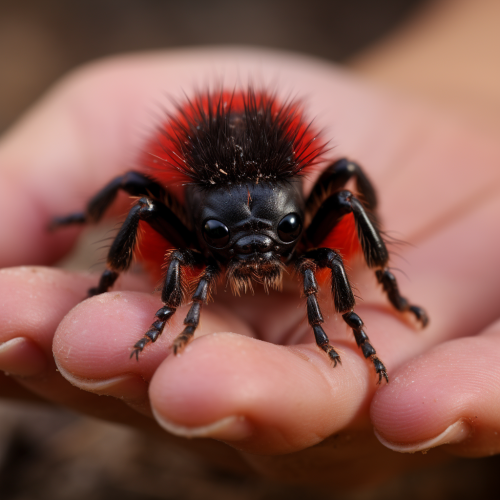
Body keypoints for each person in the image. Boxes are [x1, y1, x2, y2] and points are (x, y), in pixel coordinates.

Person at [1, 0, 500, 486]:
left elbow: (345, 188)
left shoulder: (305, 231)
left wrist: (376, 287)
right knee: (142, 199)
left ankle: (377, 280)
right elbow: (134, 190)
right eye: (220, 237)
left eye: (285, 233)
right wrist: (121, 282)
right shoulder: (194, 232)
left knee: (345, 194)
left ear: (296, 217)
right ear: (204, 229)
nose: (261, 255)